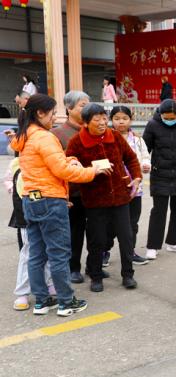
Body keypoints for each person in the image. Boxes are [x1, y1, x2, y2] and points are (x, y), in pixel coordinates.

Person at [11, 94, 104, 316]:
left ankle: (42, 301)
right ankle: (65, 301)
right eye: (52, 113)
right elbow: (62, 171)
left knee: (37, 253)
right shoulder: (44, 137)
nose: (54, 117)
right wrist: (92, 171)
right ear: (40, 113)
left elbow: (51, 164)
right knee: (59, 253)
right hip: (50, 200)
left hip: (30, 199)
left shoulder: (25, 136)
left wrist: (67, 160)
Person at [66, 103, 142, 292]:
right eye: (96, 119)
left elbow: (131, 158)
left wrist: (137, 178)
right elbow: (68, 167)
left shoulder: (114, 136)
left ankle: (128, 274)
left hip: (120, 197)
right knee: (96, 239)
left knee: (126, 237)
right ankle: (96, 275)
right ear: (85, 122)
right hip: (94, 200)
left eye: (103, 118)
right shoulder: (77, 142)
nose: (102, 123)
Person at [143, 99, 176, 260]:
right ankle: (153, 246)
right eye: (165, 117)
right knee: (158, 211)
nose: (169, 120)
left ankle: (174, 242)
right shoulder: (153, 124)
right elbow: (145, 147)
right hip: (160, 174)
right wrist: (146, 162)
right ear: (160, 114)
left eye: (172, 117)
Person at [4, 155, 56, 311]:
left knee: (49, 252)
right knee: (29, 254)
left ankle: (48, 283)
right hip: (28, 218)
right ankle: (23, 293)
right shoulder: (20, 166)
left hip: (46, 215)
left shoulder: (47, 161)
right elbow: (31, 195)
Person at [51, 90, 90, 283]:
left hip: (94, 191)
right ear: (69, 108)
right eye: (82, 105)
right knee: (74, 232)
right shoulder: (57, 133)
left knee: (97, 231)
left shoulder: (94, 130)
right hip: (73, 192)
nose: (86, 108)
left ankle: (94, 265)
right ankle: (73, 267)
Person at [107, 106, 151, 265]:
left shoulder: (138, 140)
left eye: (124, 118)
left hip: (134, 188)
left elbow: (145, 156)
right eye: (117, 118)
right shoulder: (106, 137)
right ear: (111, 120)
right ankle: (105, 250)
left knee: (132, 222)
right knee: (111, 222)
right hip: (113, 189)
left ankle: (130, 252)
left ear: (130, 120)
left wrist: (146, 165)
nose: (121, 122)